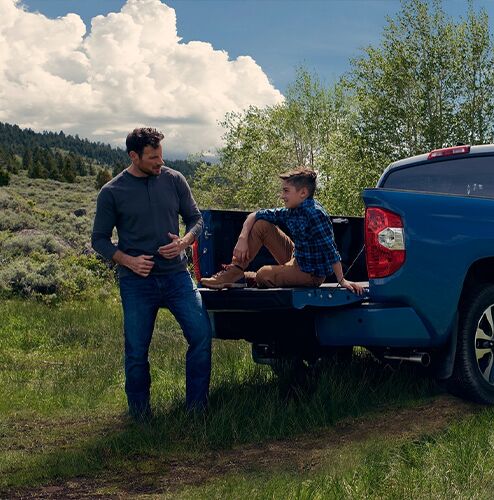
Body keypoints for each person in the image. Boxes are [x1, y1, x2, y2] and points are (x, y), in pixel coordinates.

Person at [91, 127, 212, 419]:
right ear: (134, 156)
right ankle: (141, 418)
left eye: (161, 155)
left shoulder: (174, 179)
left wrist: (184, 242)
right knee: (136, 351)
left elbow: (196, 219)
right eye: (153, 158)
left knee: (201, 336)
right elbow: (99, 240)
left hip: (176, 276)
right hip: (136, 282)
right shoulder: (112, 192)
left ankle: (197, 411)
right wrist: (128, 261)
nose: (160, 162)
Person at [201, 167, 365, 295]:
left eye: (286, 191)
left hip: (311, 274)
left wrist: (342, 280)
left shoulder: (315, 214)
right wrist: (242, 239)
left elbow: (330, 250)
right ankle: (235, 272)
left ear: (303, 193)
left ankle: (245, 278)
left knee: (263, 274)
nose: (282, 195)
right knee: (261, 225)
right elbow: (255, 215)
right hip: (297, 258)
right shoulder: (291, 210)